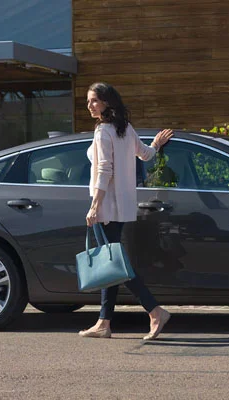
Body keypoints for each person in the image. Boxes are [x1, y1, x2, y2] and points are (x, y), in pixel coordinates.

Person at [79, 82, 174, 340]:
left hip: (107, 207)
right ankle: (104, 322)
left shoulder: (103, 132)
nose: (89, 106)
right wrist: (156, 144)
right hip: (122, 208)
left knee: (115, 266)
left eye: (94, 101)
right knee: (111, 263)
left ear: (107, 102)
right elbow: (144, 155)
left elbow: (104, 170)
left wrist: (95, 206)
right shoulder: (125, 129)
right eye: (88, 101)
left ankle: (154, 311)